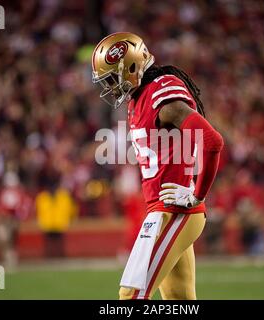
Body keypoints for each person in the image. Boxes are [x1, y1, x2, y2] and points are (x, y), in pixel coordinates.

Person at [92, 32, 224, 300]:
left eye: (112, 79)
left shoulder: (161, 93)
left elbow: (212, 141)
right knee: (179, 302)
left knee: (131, 296)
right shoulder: (139, 97)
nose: (111, 88)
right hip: (164, 211)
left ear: (131, 67)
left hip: (175, 211)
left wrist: (197, 194)